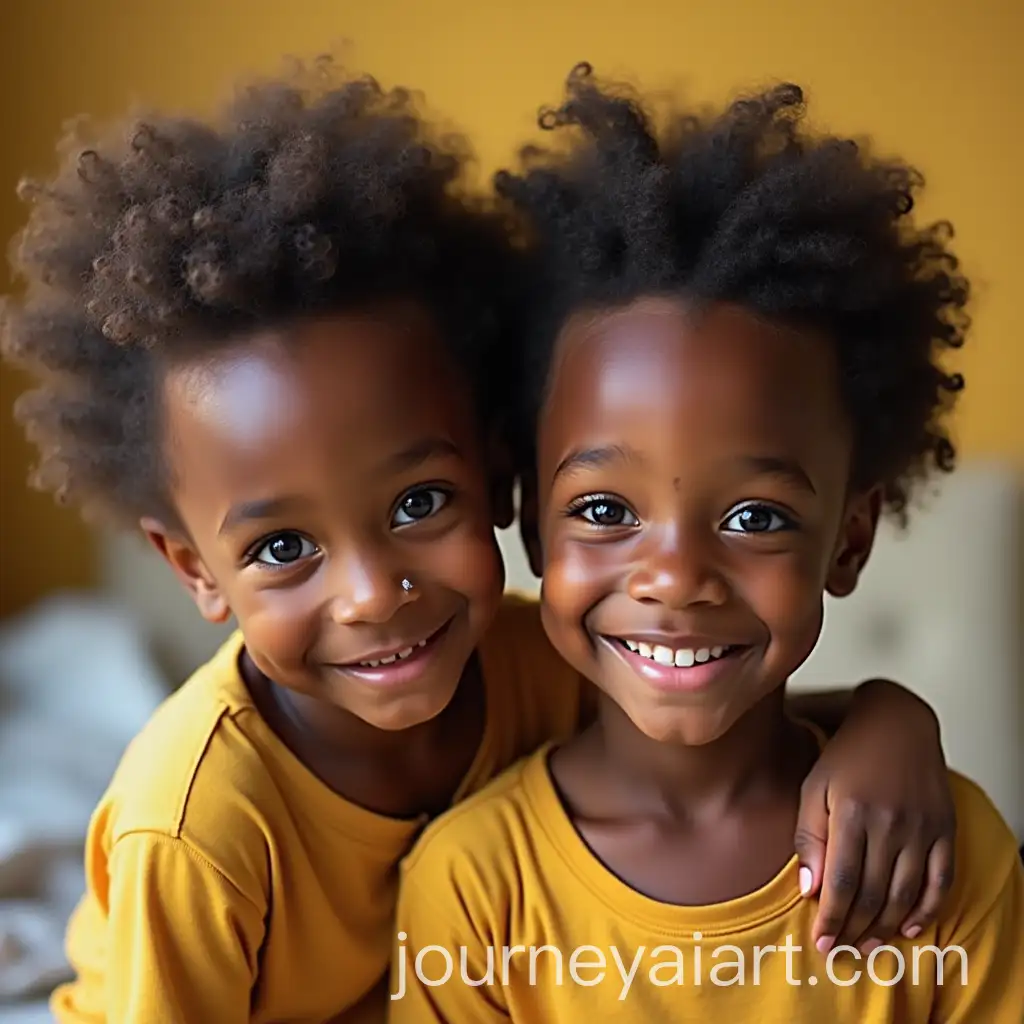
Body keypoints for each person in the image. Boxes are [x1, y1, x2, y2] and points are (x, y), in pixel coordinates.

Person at [1, 59, 956, 1023]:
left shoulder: (532, 663)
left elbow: (716, 709)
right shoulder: (197, 823)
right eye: (284, 548)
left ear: (501, 482)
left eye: (418, 503)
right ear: (195, 571)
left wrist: (889, 722)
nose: (373, 593)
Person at [389, 65, 1024, 1021]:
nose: (676, 579)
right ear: (525, 515)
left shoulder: (940, 854)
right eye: (605, 511)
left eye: (755, 517)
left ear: (849, 541)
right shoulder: (476, 886)